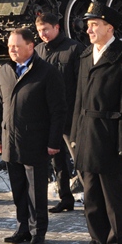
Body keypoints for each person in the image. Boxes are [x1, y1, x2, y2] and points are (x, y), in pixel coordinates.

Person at [70, 3, 122, 244]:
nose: (88, 29)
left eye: (94, 25)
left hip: (110, 136)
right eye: (88, 25)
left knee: (114, 197)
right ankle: (97, 240)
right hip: (88, 134)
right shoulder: (86, 55)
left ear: (109, 28)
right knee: (90, 195)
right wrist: (75, 135)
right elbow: (79, 99)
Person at [0, 27, 66, 244]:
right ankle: (22, 228)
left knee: (36, 192)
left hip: (35, 142)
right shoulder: (5, 71)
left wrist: (53, 142)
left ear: (30, 46)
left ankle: (38, 231)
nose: (12, 50)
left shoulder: (46, 72)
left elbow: (58, 110)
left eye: (16, 46)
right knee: (18, 190)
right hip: (10, 142)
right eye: (9, 46)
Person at [35, 12, 86, 213]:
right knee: (57, 160)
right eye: (39, 31)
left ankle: (91, 198)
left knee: (79, 159)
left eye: (46, 29)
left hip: (71, 115)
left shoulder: (74, 49)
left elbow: (82, 84)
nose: (43, 34)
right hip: (47, 116)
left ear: (57, 27)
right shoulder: (38, 50)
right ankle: (65, 197)